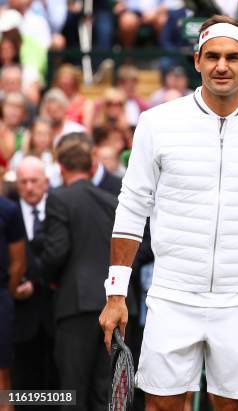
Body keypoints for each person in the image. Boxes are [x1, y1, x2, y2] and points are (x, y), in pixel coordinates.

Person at [98, 15, 238, 411]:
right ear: (197, 61)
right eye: (213, 56)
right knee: (164, 405)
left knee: (233, 406)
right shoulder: (157, 123)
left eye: (232, 57)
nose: (223, 66)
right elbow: (133, 207)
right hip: (172, 294)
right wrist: (116, 293)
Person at [37, 132, 126, 411]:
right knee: (105, 393)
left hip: (74, 307)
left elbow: (56, 252)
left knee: (72, 394)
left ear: (60, 167)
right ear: (90, 166)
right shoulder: (112, 201)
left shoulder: (59, 199)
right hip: (113, 304)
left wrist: (48, 279)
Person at [11, 156, 57, 397]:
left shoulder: (60, 208)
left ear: (46, 182)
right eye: (23, 182)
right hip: (19, 318)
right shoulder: (8, 210)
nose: (29, 187)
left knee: (58, 386)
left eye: (34, 181)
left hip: (56, 314)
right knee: (23, 387)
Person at [0, 180, 26, 411]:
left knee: (2, 379)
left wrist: (7, 292)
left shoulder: (8, 209)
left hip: (0, 298)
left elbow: (19, 262)